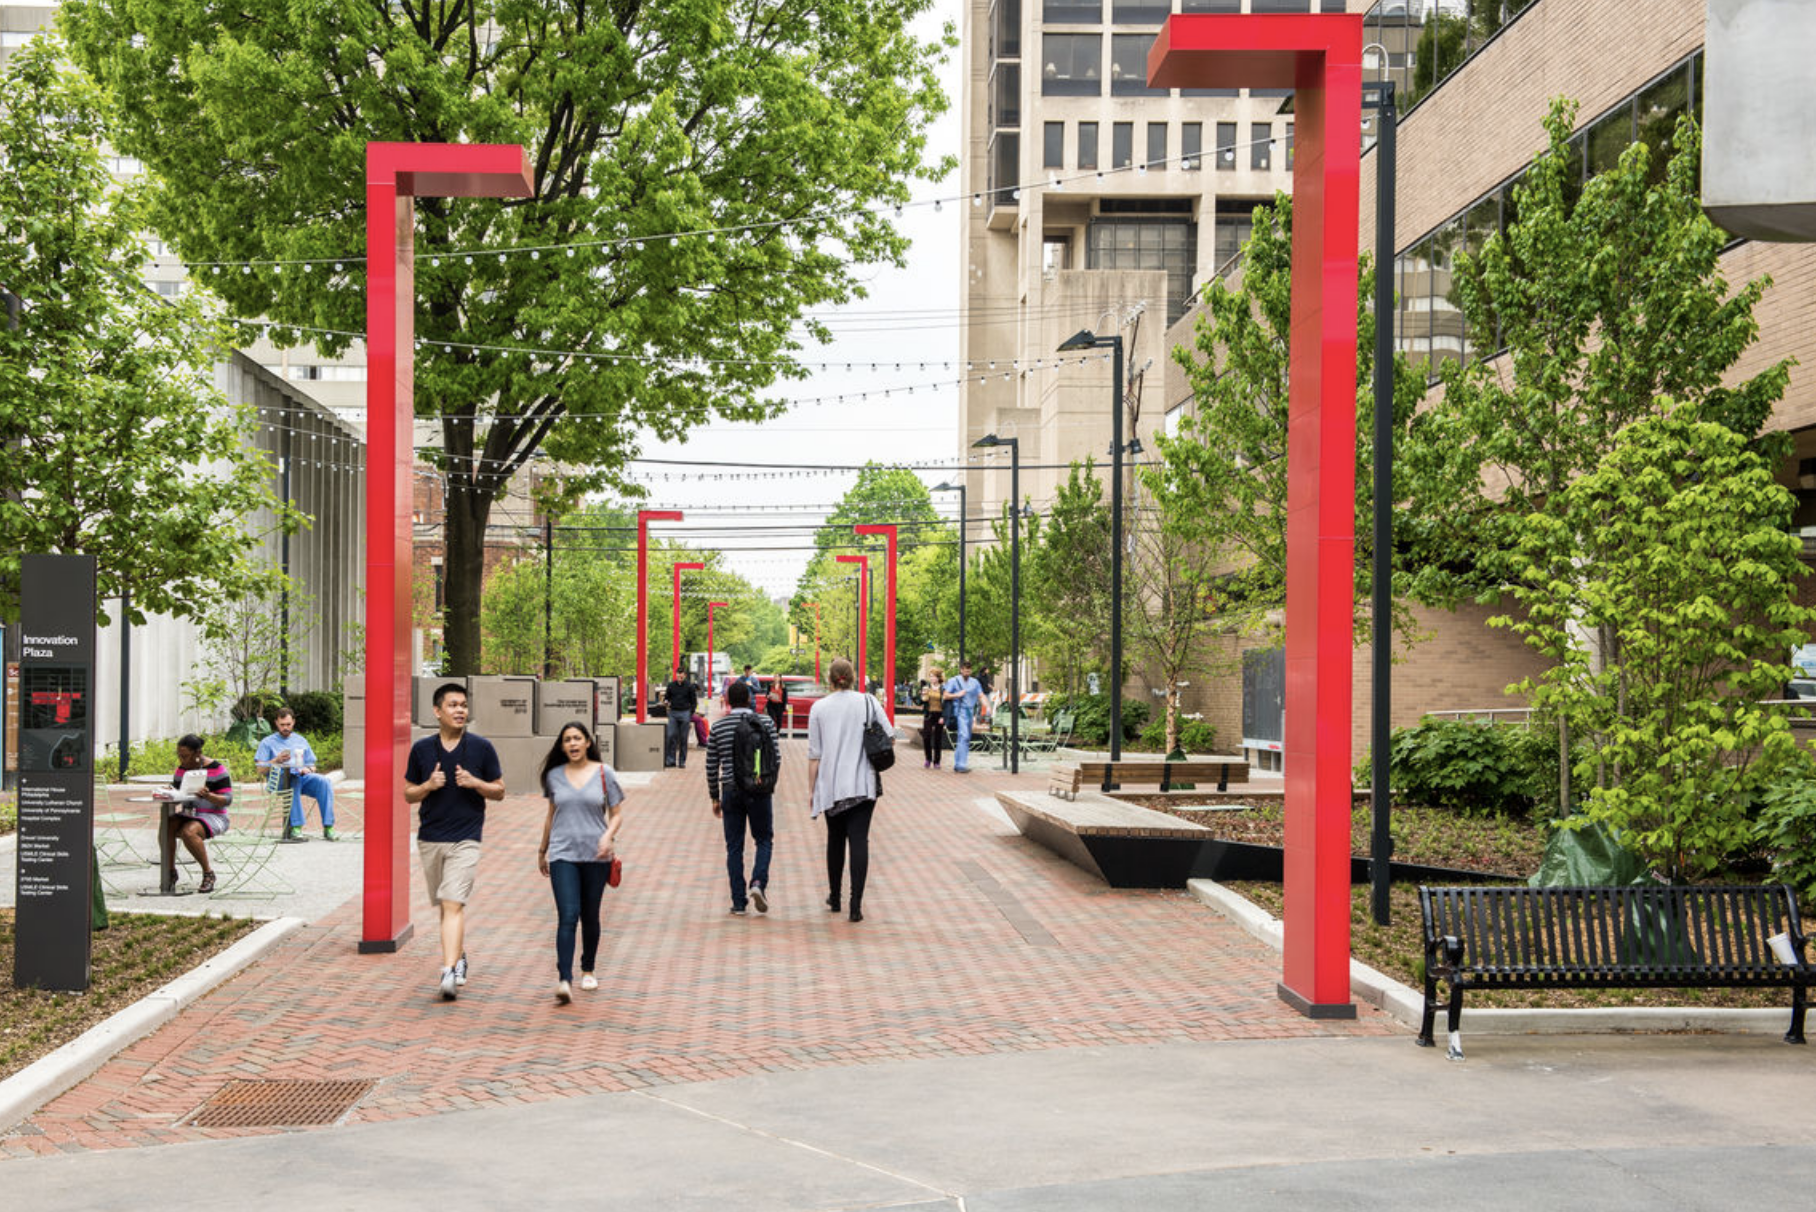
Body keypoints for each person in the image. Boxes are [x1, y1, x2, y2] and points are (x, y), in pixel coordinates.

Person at [404, 682, 506, 1001]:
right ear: (437, 711)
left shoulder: (481, 748)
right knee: (446, 906)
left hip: (466, 837)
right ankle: (458, 956)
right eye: (453, 705)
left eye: (463, 705)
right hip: (431, 837)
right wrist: (428, 786)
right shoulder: (422, 750)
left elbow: (500, 790)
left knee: (452, 902)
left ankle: (448, 971)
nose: (460, 710)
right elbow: (408, 794)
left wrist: (476, 783)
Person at [536, 720, 625, 1004]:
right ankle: (564, 978)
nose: (572, 744)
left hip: (595, 855)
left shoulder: (603, 773)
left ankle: (588, 967)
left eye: (577, 738)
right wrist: (542, 850)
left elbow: (617, 813)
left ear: (588, 742)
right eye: (567, 740)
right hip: (563, 854)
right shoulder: (554, 776)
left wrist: (608, 836)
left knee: (590, 915)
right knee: (568, 914)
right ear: (562, 746)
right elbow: (551, 815)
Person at [808, 657, 880, 923]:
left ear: (830, 678)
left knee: (835, 840)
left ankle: (835, 896)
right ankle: (855, 905)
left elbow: (814, 754)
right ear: (853, 676)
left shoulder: (819, 708)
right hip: (863, 782)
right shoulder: (868, 702)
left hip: (831, 784)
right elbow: (889, 736)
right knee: (859, 840)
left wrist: (811, 790)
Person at [705, 680, 781, 916]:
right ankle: (758, 883)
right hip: (759, 790)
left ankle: (738, 902)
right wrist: (768, 783)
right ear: (750, 699)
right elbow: (775, 757)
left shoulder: (718, 727)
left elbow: (711, 765)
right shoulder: (766, 722)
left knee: (734, 847)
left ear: (727, 701)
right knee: (764, 839)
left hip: (731, 789)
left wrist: (714, 797)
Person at [163, 734, 232, 894]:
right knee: (168, 824)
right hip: (189, 813)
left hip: (215, 816)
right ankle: (169, 870)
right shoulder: (181, 770)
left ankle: (208, 873)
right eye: (179, 756)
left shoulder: (217, 769)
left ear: (197, 754)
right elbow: (178, 794)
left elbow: (227, 800)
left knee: (189, 831)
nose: (181, 760)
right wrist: (170, 793)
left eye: (185, 756)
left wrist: (209, 796)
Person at [255, 707, 337, 842]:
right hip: (279, 781)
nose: (285, 728)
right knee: (293, 779)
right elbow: (259, 769)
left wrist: (308, 770)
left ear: (293, 722)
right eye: (282, 725)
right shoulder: (267, 742)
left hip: (301, 777)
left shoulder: (301, 740)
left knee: (324, 782)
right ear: (276, 723)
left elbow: (312, 764)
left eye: (288, 724)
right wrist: (276, 760)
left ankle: (328, 826)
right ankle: (296, 827)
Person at [944, 662, 983, 774]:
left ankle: (959, 763)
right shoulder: (954, 681)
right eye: (965, 670)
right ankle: (961, 764)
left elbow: (980, 695)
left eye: (969, 670)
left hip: (970, 713)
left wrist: (987, 706)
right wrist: (957, 695)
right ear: (961, 670)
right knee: (964, 736)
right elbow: (945, 695)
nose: (967, 672)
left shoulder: (974, 682)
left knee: (965, 738)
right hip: (959, 712)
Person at [663, 666, 697, 768]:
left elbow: (694, 702)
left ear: (685, 675)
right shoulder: (671, 685)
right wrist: (666, 701)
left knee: (683, 738)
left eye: (681, 675)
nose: (679, 676)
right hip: (673, 713)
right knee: (671, 736)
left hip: (685, 712)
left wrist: (690, 713)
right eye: (678, 674)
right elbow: (667, 697)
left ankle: (682, 761)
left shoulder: (690, 686)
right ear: (676, 675)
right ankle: (670, 760)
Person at [921, 668, 947, 769]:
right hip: (929, 714)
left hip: (939, 714)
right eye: (930, 676)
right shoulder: (927, 687)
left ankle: (937, 761)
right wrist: (923, 694)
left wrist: (943, 716)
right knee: (926, 736)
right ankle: (928, 758)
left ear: (938, 677)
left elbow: (946, 704)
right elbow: (922, 701)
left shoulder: (943, 688)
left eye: (933, 676)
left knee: (937, 738)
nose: (931, 678)